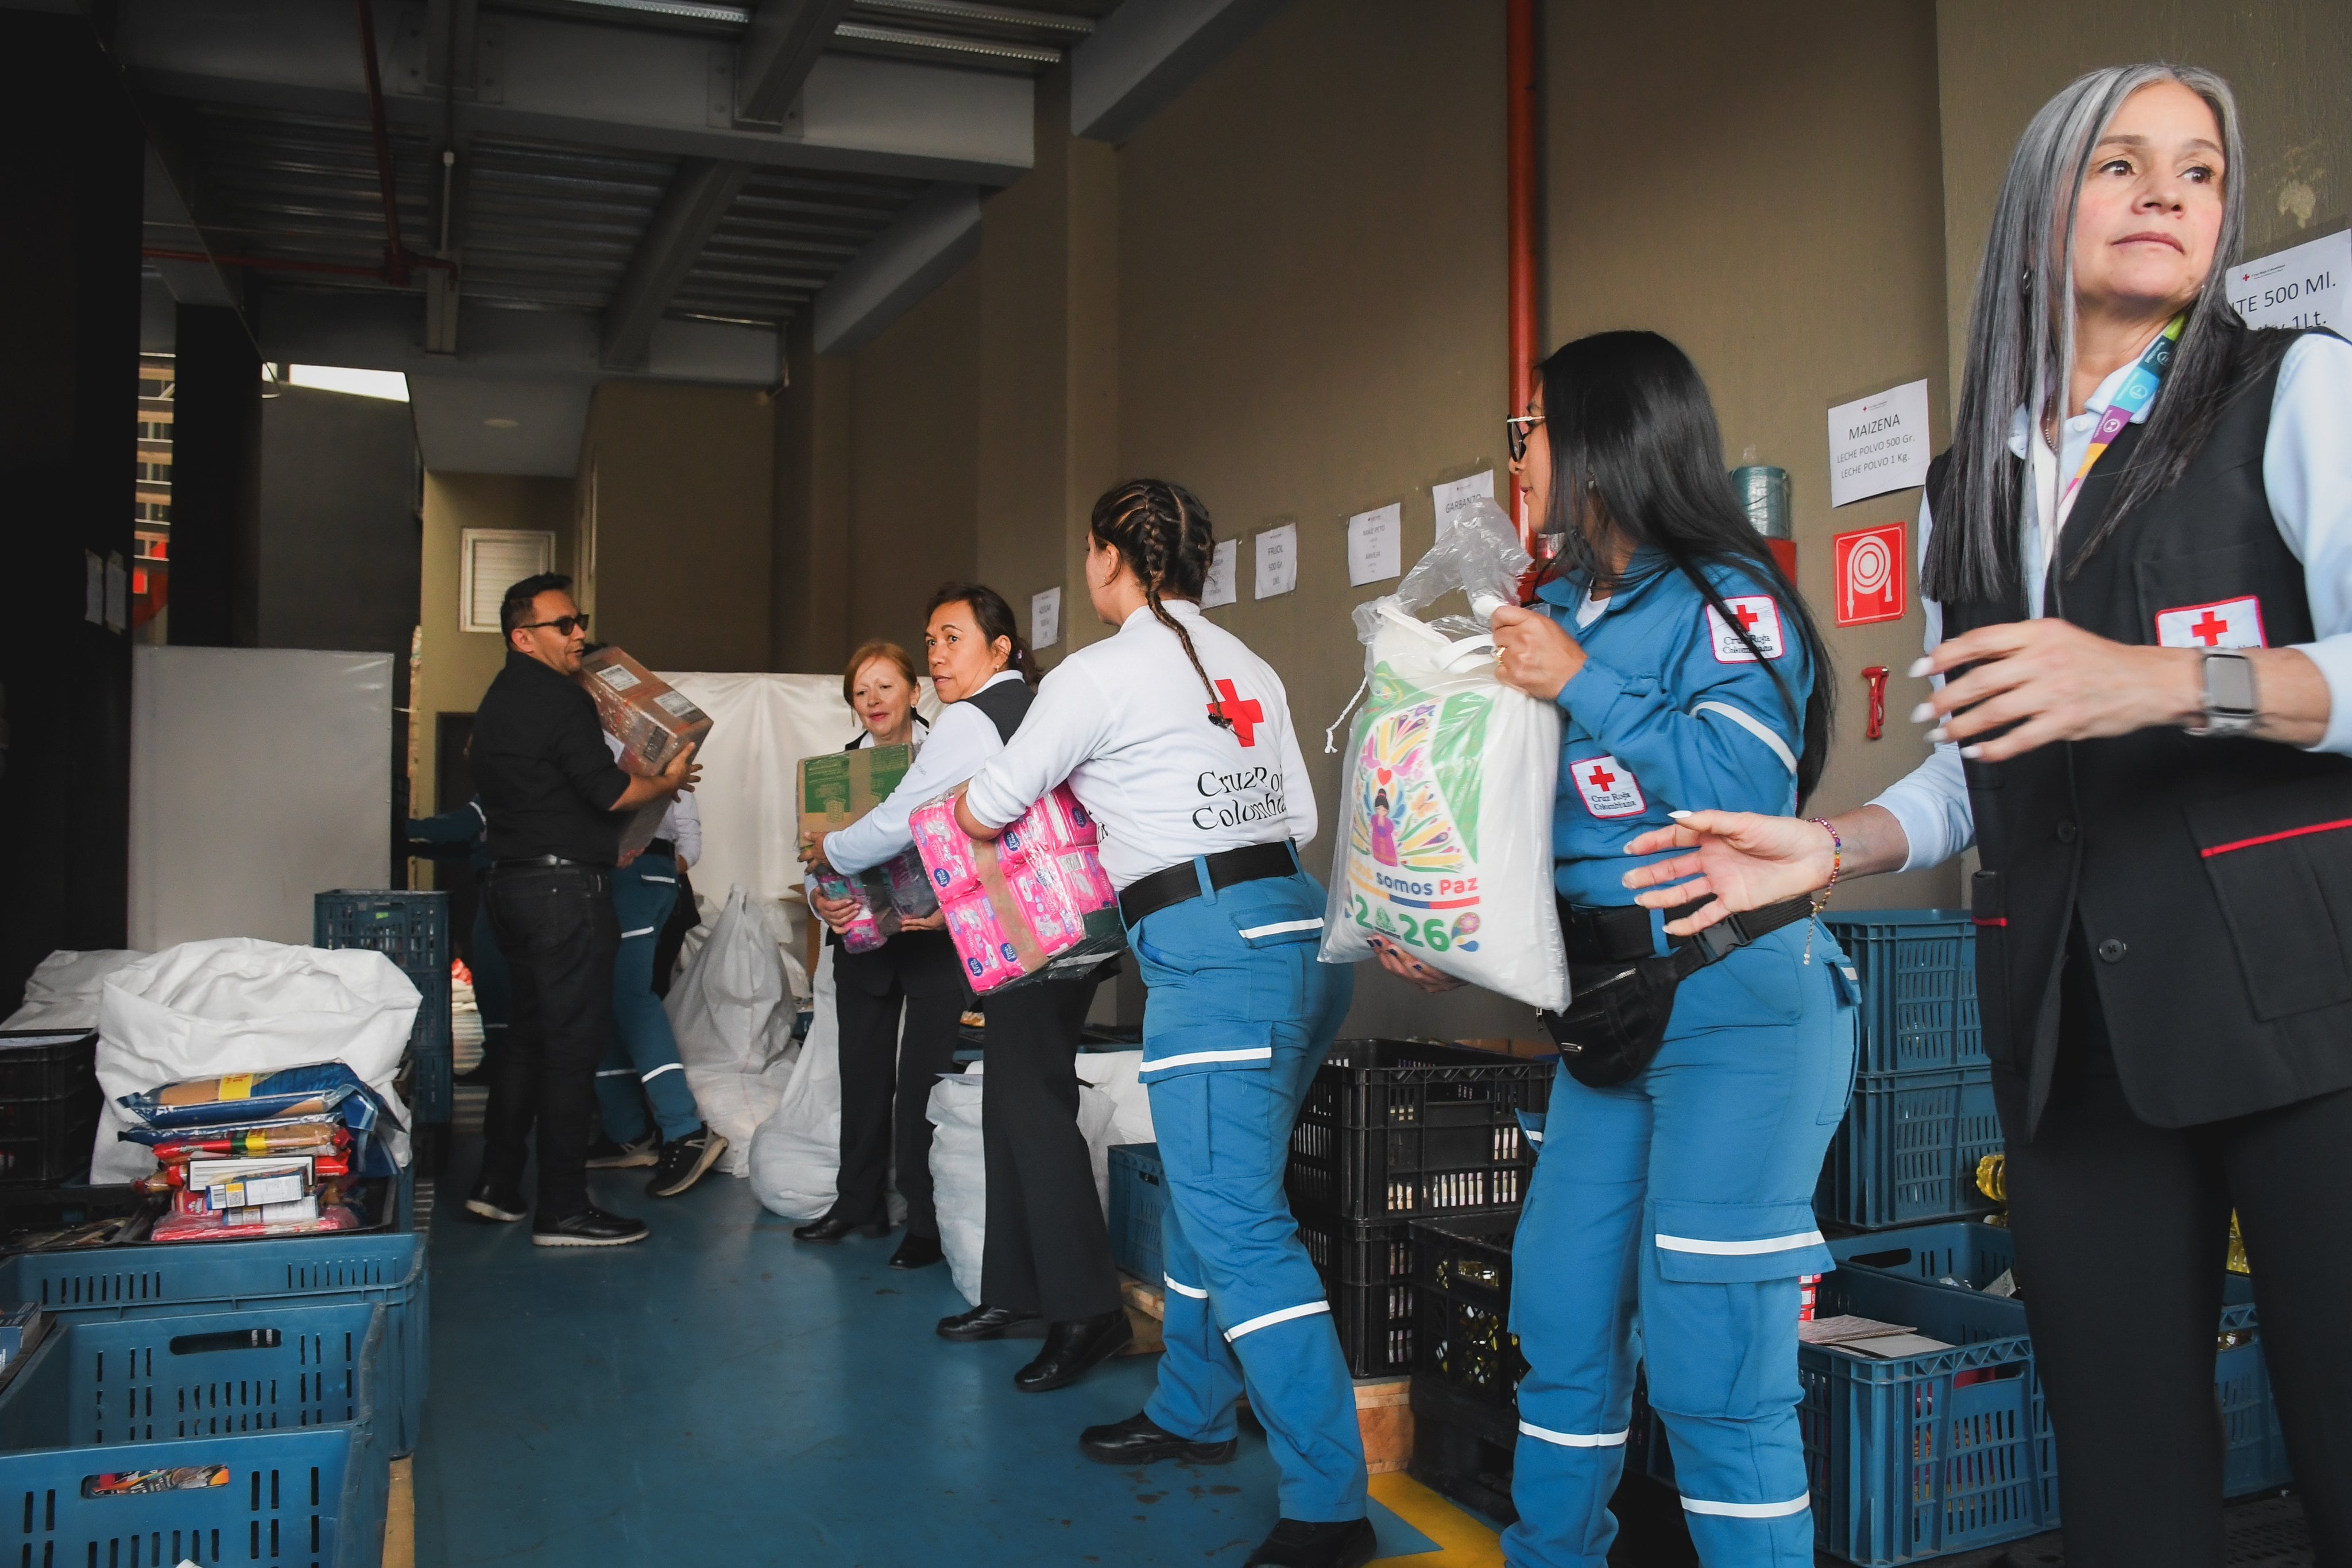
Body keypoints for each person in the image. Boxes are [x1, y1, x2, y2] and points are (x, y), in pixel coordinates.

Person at [1615, 66, 2352, 1568]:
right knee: (2126, 1467)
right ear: (2037, 212)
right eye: (2123, 164)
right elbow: (1978, 758)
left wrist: (2161, 679)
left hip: (2306, 1008)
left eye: (2200, 171)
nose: (2168, 194)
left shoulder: (2300, 391)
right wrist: (1836, 845)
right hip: (2070, 1021)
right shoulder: (1979, 479)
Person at [1374, 334, 1848, 1566]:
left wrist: (1580, 682)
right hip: (1599, 1014)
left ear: (1599, 438)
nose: (1514, 456)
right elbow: (1533, 823)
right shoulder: (1554, 606)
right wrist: (1444, 923)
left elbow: (1743, 787)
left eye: (1527, 429)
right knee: (1562, 1319)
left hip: (1730, 1001)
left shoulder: (1723, 597)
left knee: (1711, 1370)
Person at [954, 480, 1371, 1568]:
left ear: (1106, 557)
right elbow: (1302, 816)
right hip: (1300, 933)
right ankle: (1190, 1408)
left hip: (1211, 960)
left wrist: (956, 811)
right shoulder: (1252, 665)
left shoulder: (1096, 673)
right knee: (1210, 1193)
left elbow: (992, 803)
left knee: (1240, 1227)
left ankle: (1331, 1506)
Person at [903, 588, 1129, 1393]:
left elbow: (916, 817)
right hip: (1045, 933)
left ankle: (1088, 1309)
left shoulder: (981, 715)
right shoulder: (1025, 709)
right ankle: (1018, 1290)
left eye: (953, 637)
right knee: (1014, 1103)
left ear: (1001, 650)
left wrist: (837, 854)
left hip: (1035, 939)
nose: (935, 653)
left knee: (1033, 1112)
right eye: (929, 638)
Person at [464, 574, 699, 1248]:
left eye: (579, 622)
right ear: (523, 636)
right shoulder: (561, 700)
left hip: (509, 889)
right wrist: (669, 780)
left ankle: (497, 1185)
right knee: (571, 1049)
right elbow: (605, 791)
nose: (578, 636)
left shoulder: (496, 703)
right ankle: (564, 1207)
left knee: (527, 1042)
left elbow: (541, 795)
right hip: (564, 896)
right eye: (563, 625)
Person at [793, 640, 960, 1268]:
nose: (873, 701)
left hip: (932, 936)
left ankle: (925, 1217)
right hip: (861, 942)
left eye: (885, 687)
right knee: (861, 1073)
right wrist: (820, 903)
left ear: (915, 693)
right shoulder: (833, 773)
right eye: (861, 691)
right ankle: (856, 1200)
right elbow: (810, 857)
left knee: (924, 1079)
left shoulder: (944, 761)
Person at [583, 725, 729, 1198]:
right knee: (600, 1001)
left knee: (630, 996)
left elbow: (689, 841)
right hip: (608, 876)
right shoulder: (584, 740)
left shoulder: (653, 748)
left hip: (638, 875)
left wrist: (649, 857)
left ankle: (685, 1128)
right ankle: (628, 1130)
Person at [403, 793, 510, 1084]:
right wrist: (417, 848)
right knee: (495, 974)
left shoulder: (501, 776)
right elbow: (469, 845)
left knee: (492, 974)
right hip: (505, 885)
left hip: (506, 887)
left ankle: (501, 1062)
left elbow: (460, 826)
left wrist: (400, 826)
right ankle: (500, 1059)